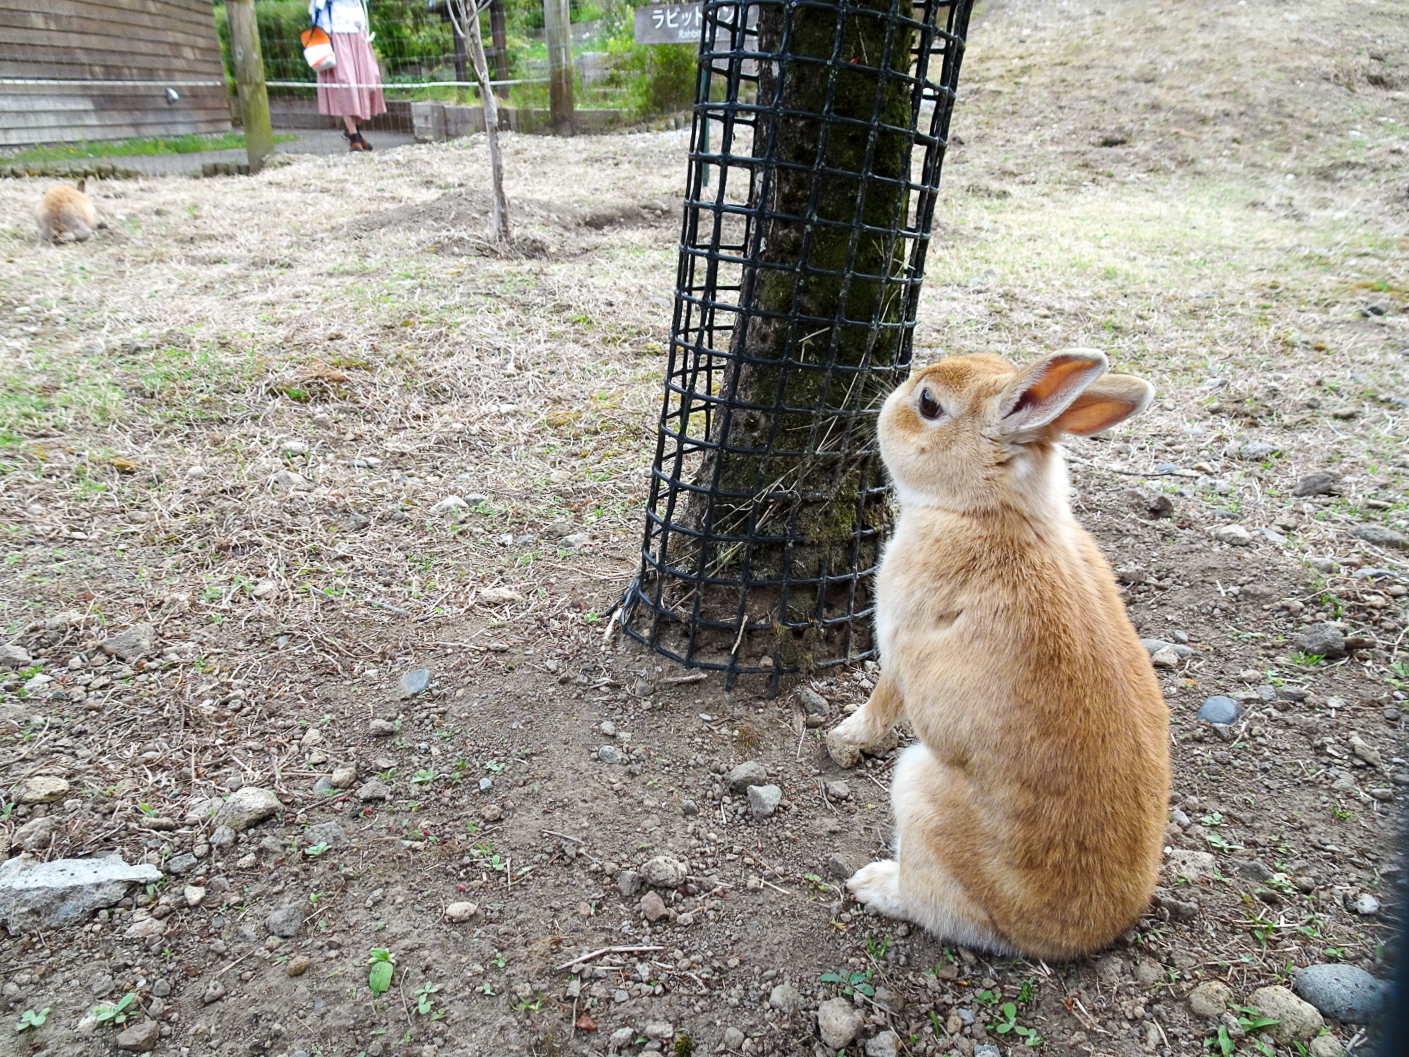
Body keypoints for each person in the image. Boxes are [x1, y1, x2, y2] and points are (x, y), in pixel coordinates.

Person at [310, 0, 386, 151]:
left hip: (358, 31)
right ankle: (354, 137)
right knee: (345, 85)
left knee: (370, 81)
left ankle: (352, 131)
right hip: (336, 32)